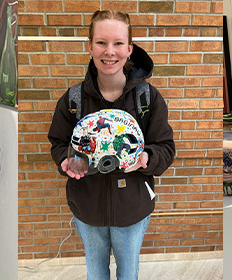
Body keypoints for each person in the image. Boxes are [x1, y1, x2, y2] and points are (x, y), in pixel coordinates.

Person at [47, 10, 174, 280]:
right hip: (87, 206)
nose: (110, 52)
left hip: (132, 207)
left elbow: (165, 147)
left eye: (118, 43)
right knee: (96, 272)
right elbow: (58, 142)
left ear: (130, 49)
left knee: (128, 273)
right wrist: (65, 161)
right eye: (101, 42)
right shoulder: (73, 100)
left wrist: (146, 158)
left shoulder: (148, 98)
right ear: (90, 46)